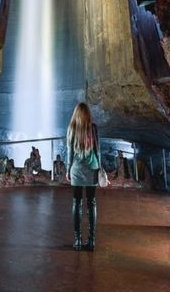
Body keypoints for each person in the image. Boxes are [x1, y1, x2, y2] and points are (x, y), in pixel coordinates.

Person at [66, 102, 100, 251]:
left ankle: (78, 240)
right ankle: (91, 241)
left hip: (77, 171)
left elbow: (70, 153)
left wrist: (68, 170)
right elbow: (98, 151)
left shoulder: (72, 129)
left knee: (77, 203)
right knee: (91, 203)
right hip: (92, 169)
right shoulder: (93, 128)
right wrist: (100, 168)